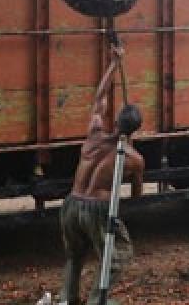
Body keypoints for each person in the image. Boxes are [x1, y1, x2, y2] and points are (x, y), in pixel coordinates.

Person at [60, 45, 144, 305]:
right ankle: (97, 300)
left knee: (74, 255)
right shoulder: (134, 159)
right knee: (119, 253)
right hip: (97, 208)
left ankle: (67, 299)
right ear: (136, 130)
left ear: (115, 121)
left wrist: (114, 64)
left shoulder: (93, 136)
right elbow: (137, 195)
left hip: (71, 203)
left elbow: (99, 99)